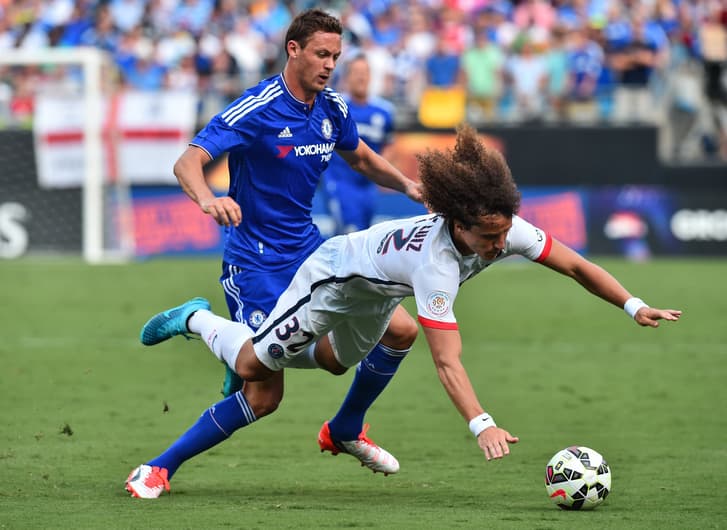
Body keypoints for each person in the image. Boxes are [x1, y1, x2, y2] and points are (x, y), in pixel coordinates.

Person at [128, 124, 682, 498]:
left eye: (503, 233)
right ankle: (195, 325)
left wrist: (633, 305)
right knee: (258, 379)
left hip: (379, 292)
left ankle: (342, 429)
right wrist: (482, 424)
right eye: (488, 237)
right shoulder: (436, 266)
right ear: (457, 222)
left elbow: (577, 265)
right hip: (331, 280)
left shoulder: (503, 226)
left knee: (386, 338)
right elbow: (449, 362)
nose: (498, 245)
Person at [125, 8, 422, 499]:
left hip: (312, 253)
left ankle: (345, 427)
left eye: (336, 56)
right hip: (256, 263)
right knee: (262, 393)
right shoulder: (258, 106)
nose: (330, 65)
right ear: (294, 49)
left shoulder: (333, 109)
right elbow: (188, 161)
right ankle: (160, 460)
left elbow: (361, 156)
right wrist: (208, 198)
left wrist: (408, 185)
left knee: (400, 330)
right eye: (322, 54)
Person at [321, 53, 396, 234]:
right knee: (349, 233)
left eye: (365, 72)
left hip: (367, 186)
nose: (361, 77)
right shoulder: (335, 107)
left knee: (361, 237)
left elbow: (389, 144)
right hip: (339, 182)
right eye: (356, 72)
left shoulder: (384, 111)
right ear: (347, 77)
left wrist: (383, 174)